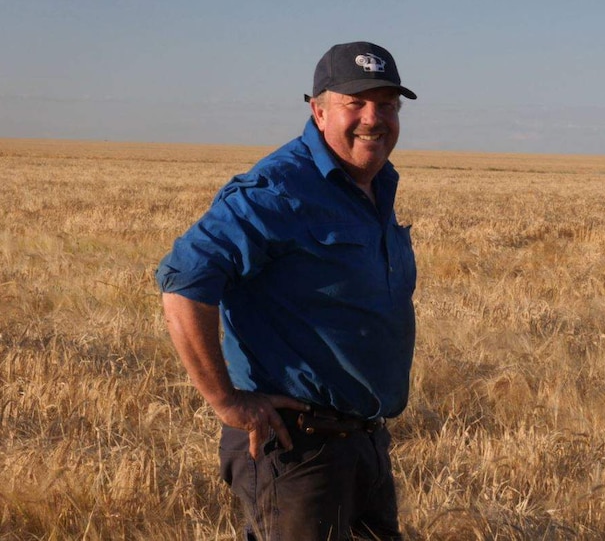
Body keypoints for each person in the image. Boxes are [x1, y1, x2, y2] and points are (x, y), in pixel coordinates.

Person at [155, 41, 417, 540]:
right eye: (355, 103)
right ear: (318, 111)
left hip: (364, 444)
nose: (373, 117)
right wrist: (227, 401)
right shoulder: (279, 190)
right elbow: (184, 283)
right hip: (296, 450)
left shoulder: (376, 184)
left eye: (386, 104)